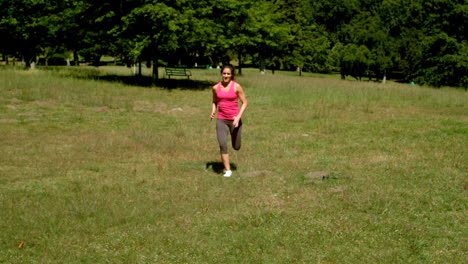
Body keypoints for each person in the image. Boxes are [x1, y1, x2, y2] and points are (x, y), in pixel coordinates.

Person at [210, 65, 248, 177]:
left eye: (228, 74)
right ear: (221, 74)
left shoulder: (236, 87)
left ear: (232, 75)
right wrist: (213, 110)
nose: (226, 76)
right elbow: (214, 101)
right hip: (221, 119)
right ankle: (228, 170)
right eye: (224, 73)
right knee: (222, 144)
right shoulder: (216, 87)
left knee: (236, 146)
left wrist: (238, 117)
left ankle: (235, 144)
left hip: (234, 120)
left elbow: (245, 102)